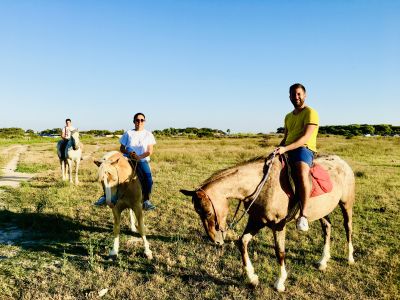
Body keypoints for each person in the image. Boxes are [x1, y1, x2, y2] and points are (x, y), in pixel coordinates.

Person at [276, 83, 319, 231]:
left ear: (305, 95)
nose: (296, 97)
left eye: (299, 94)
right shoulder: (288, 116)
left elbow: (305, 137)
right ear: (289, 97)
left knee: (301, 172)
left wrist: (285, 148)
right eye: (293, 94)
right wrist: (278, 149)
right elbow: (286, 137)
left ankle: (303, 215)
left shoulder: (310, 113)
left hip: (303, 148)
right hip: (288, 148)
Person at [94, 113, 157, 211]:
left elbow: (149, 151)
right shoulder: (128, 133)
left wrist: (139, 157)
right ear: (134, 121)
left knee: (148, 179)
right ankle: (105, 196)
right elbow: (122, 148)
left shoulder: (148, 134)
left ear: (144, 121)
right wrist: (129, 152)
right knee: (110, 175)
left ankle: (146, 201)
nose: (139, 122)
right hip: (127, 159)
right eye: (137, 120)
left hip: (141, 160)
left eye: (142, 120)